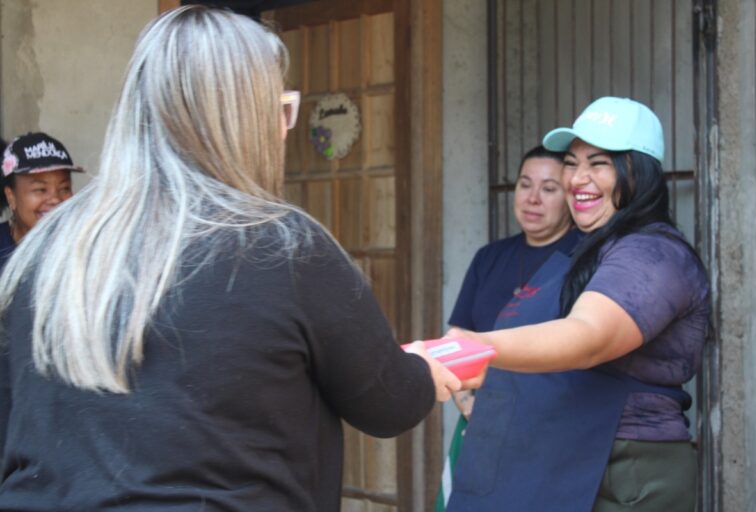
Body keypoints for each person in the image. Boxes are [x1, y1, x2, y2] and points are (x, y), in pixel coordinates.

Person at [0, 6, 466, 511]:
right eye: (279, 108)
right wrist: (420, 371)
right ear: (242, 121)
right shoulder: (281, 246)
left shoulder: (46, 249)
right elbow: (387, 402)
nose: (285, 129)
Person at [446, 97, 710, 511]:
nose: (577, 179)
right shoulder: (589, 251)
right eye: (571, 162)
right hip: (559, 458)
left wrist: (474, 348)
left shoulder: (653, 255)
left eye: (599, 164)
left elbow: (586, 337)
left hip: (622, 469)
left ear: (638, 173)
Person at [434, 146, 581, 511]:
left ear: (569, 196)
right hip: (485, 425)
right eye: (525, 184)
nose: (532, 199)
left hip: (555, 430)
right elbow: (459, 341)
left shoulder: (586, 257)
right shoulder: (490, 257)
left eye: (549, 189)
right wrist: (471, 409)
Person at [0, 132, 82, 266]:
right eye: (40, 190)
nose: (55, 199)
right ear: (11, 197)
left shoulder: (83, 248)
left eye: (65, 188)